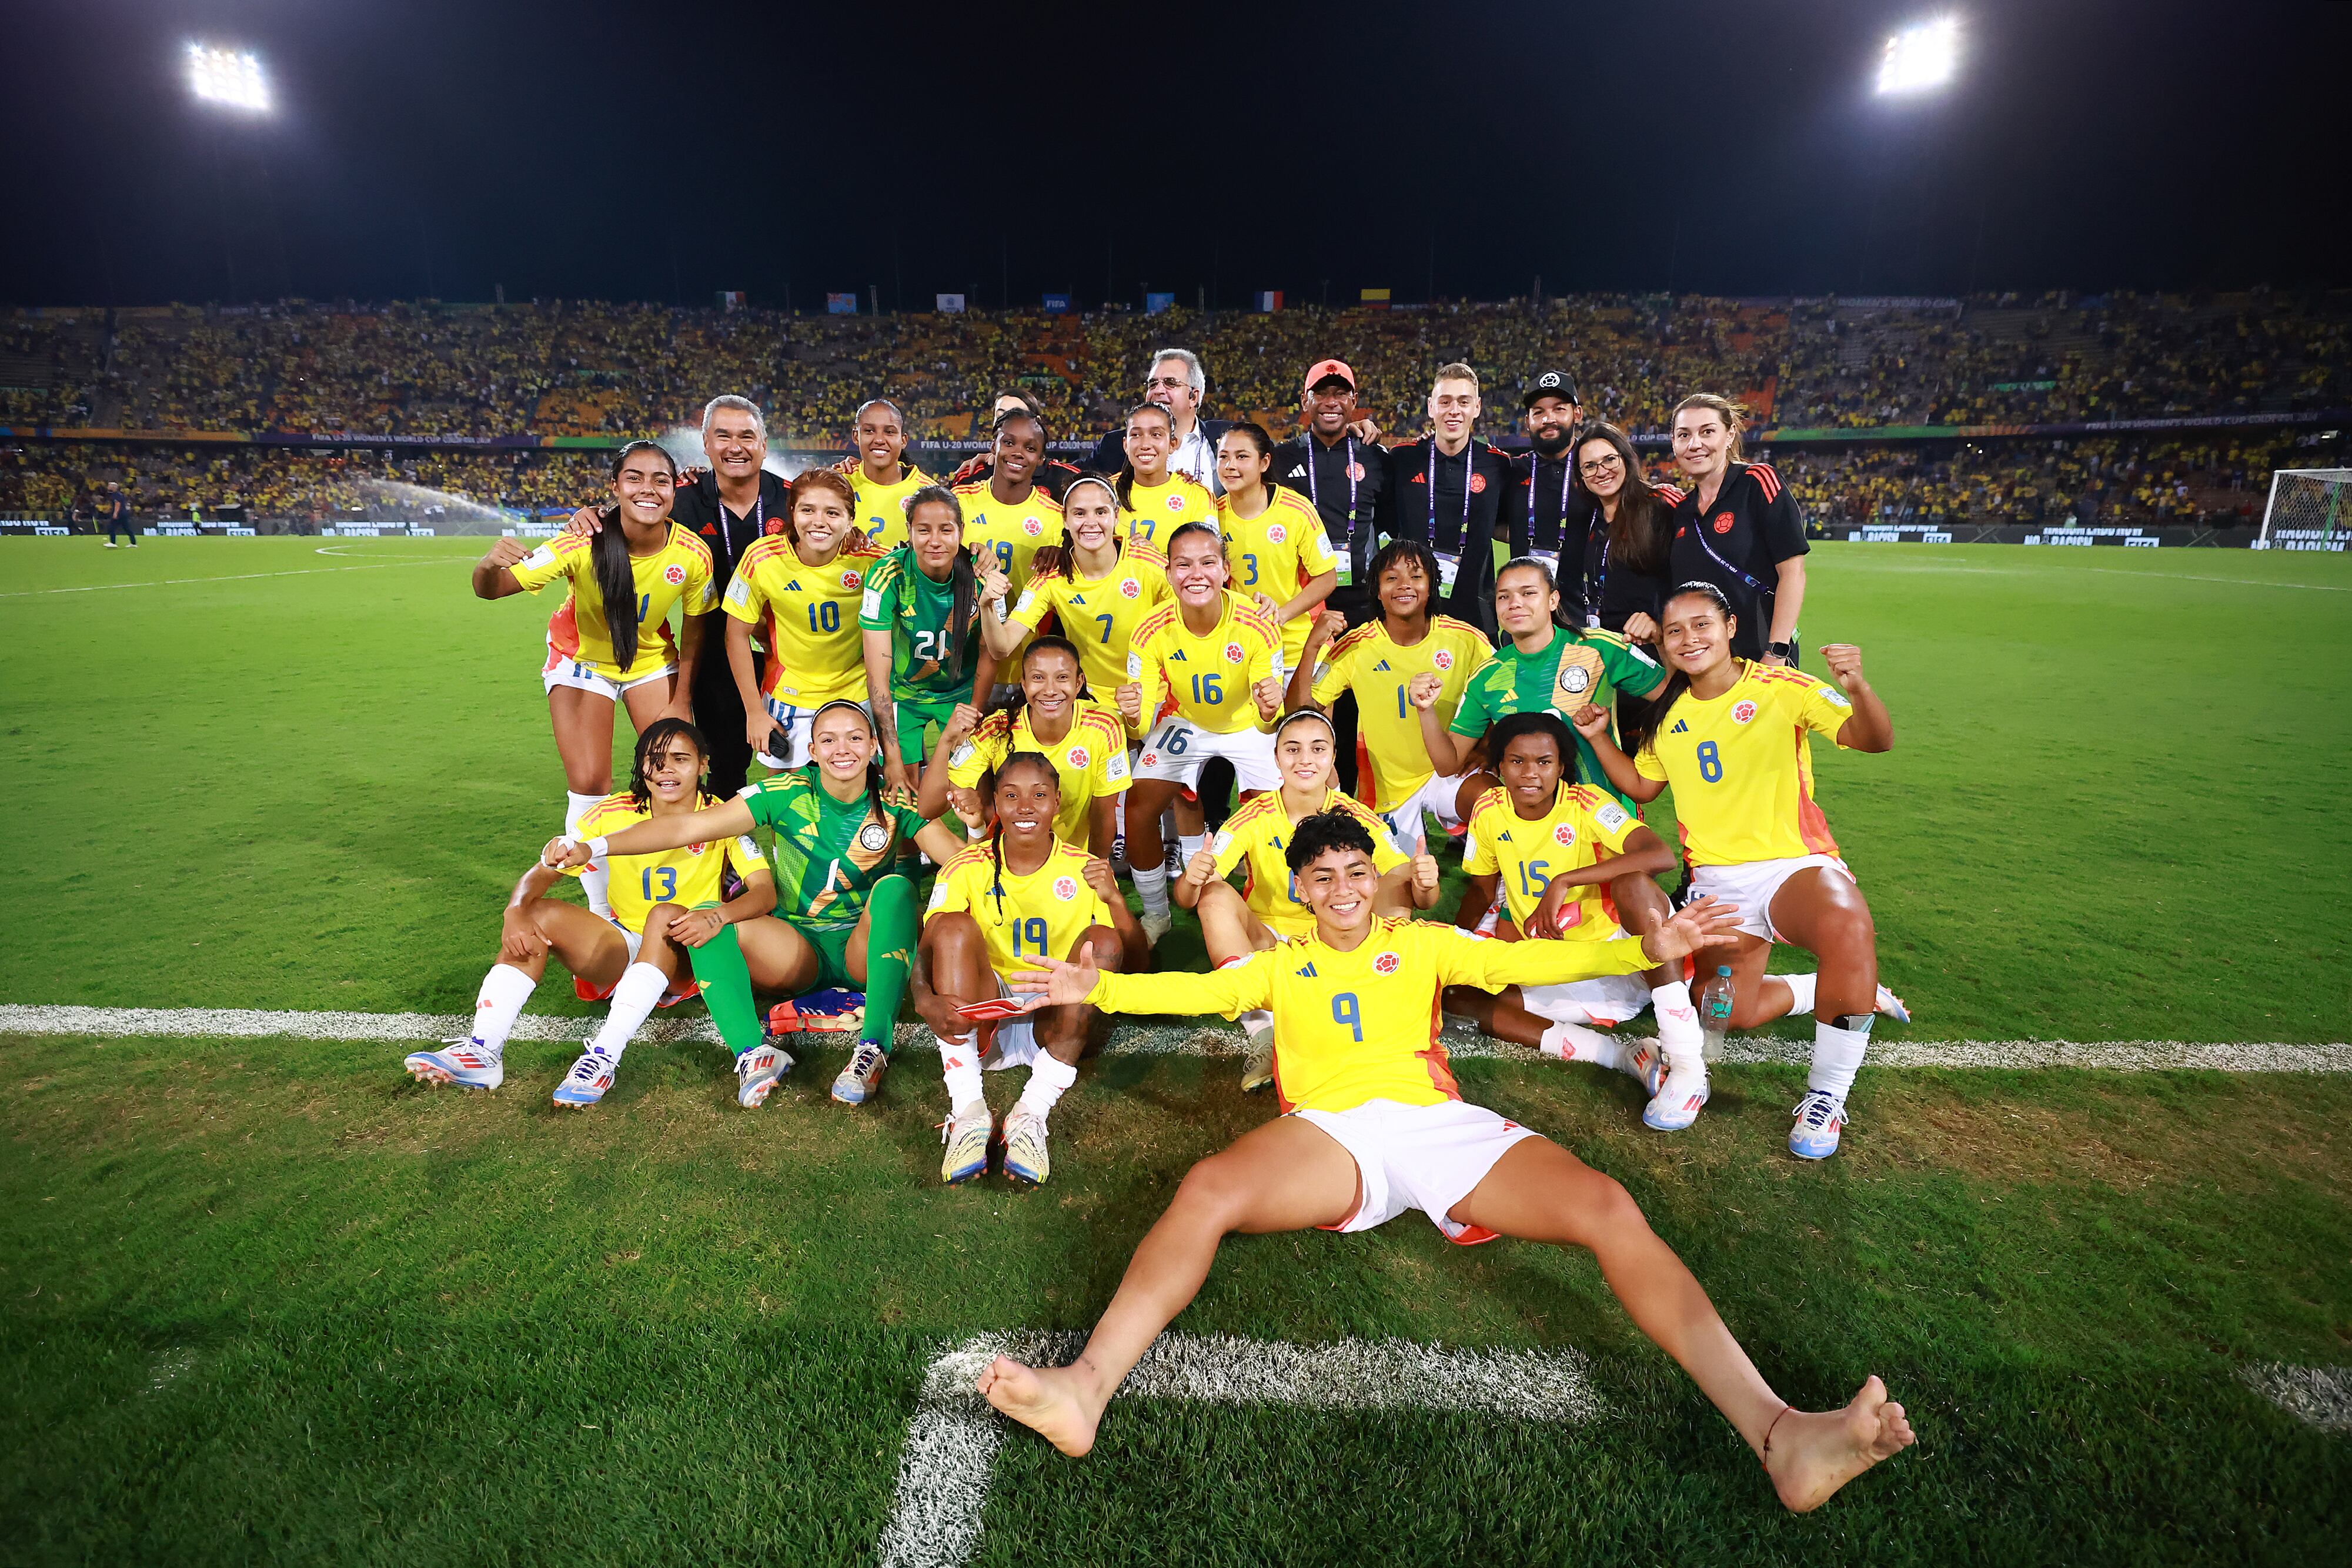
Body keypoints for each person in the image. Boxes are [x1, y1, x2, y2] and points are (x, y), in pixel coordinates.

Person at [980, 811, 1917, 1515]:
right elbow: (1192, 986)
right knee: (1209, 1185)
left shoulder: (1422, 944)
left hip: (1437, 1124)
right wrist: (1093, 984)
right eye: (1324, 875)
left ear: (1375, 877)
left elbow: (1534, 965)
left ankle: (1780, 1431)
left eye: (1357, 871)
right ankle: (1085, 1387)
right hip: (1332, 1136)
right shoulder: (1279, 962)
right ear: (1301, 888)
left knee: (1606, 1205)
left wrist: (1647, 946)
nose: (1343, 888)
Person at [1578, 583, 1909, 1159]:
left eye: (1702, 624)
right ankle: (1819, 991)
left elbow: (1873, 740)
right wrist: (1597, 737)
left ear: (1730, 627)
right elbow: (1640, 786)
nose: (1689, 639)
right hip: (1718, 884)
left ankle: (1825, 1099)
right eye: (1674, 631)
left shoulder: (1782, 688)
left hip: (1793, 866)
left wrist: (1857, 685)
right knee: (1724, 1014)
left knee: (1847, 926)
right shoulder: (1667, 716)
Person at [540, 703, 961, 1107]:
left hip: (862, 951)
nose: (842, 749)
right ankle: (753, 1054)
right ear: (812, 751)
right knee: (705, 916)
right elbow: (690, 825)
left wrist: (977, 825)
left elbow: (959, 861)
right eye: (829, 740)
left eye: (854, 738)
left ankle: (872, 1049)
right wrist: (592, 847)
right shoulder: (785, 792)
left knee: (896, 889)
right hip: (796, 951)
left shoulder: (896, 800)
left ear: (873, 746)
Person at [407, 720, 790, 1108]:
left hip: (685, 953)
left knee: (663, 915)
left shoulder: (722, 816)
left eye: (680, 759)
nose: (666, 770)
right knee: (536, 914)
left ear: (704, 765)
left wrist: (718, 916)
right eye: (654, 761)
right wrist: (514, 910)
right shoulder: (612, 812)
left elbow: (764, 892)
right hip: (624, 944)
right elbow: (544, 871)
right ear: (642, 767)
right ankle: (483, 1050)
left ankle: (603, 1057)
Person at [476, 439, 713, 918]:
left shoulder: (692, 553)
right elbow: (493, 589)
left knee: (672, 773)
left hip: (649, 662)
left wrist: (683, 698)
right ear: (616, 487)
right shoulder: (579, 542)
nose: (648, 489)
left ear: (674, 491)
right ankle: (606, 912)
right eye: (635, 478)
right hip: (580, 660)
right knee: (590, 783)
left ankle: (679, 891)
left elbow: (697, 626)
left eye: (660, 480)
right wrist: (488, 563)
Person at [1444, 711, 1709, 1129]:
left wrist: (1564, 880)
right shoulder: (1489, 810)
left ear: (1562, 766)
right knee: (1457, 997)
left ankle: (1688, 1061)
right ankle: (1622, 1056)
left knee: (1632, 882)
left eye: (1544, 762)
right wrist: (1453, 946)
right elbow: (1480, 889)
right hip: (1572, 966)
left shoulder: (1586, 803)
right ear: (1498, 767)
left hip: (1638, 948)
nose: (1531, 773)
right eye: (1517, 761)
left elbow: (1658, 854)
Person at [1175, 710, 1435, 1090]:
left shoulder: (1357, 815)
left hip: (1338, 944)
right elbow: (1188, 898)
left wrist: (1425, 883)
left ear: (1333, 757)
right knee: (1213, 895)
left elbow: (1418, 896)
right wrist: (1192, 878)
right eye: (1292, 749)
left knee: (1399, 879)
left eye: (1318, 748)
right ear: (1277, 758)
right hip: (1272, 946)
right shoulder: (1254, 816)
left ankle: (1376, 1003)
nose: (1305, 759)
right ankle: (1263, 1033)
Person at [916, 753, 1144, 1186]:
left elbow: (1136, 964)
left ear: (1057, 802)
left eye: (1039, 795)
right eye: (1011, 795)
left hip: (1053, 1018)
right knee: (952, 926)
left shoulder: (1084, 868)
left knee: (1106, 939)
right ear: (995, 805)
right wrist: (925, 999)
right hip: (988, 1011)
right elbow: (926, 949)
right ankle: (968, 1112)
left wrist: (1115, 899)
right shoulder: (966, 865)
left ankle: (1030, 1115)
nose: (1025, 806)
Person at [567, 395, 789, 798]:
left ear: (764, 444)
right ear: (705, 443)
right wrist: (593, 513)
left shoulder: (793, 499)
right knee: (722, 764)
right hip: (714, 655)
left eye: (746, 436)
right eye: (722, 435)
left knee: (798, 761)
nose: (734, 446)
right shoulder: (680, 500)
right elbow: (631, 511)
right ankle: (722, 858)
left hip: (789, 654)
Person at [1119, 522, 1285, 942]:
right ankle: (1157, 914)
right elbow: (1140, 726)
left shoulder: (1258, 623)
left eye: (1208, 562)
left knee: (1287, 811)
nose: (1196, 574)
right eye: (1184, 564)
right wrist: (1133, 716)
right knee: (1139, 804)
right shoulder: (1150, 630)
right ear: (1170, 572)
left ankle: (1279, 910)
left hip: (1246, 722)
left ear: (1226, 570)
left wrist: (1269, 710)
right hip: (1187, 722)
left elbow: (1270, 719)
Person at [1293, 540, 1494, 850]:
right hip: (1388, 791)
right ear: (1376, 590)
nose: (1404, 586)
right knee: (1399, 888)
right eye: (1391, 578)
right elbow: (1299, 714)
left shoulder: (1466, 640)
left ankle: (1499, 891)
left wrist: (1489, 747)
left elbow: (1505, 696)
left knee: (1493, 801)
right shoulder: (1357, 646)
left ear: (1431, 587)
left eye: (1416, 577)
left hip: (1450, 771)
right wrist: (1311, 648)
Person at [1420, 557, 1665, 810]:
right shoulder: (1487, 676)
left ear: (1553, 600)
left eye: (1528, 593)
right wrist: (1425, 710)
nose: (1515, 603)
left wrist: (1660, 640)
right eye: (1504, 597)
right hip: (1534, 827)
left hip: (1605, 814)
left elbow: (1674, 695)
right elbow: (1448, 765)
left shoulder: (1599, 648)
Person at [721, 468, 883, 770]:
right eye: (808, 510)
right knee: (789, 805)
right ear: (793, 513)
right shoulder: (761, 559)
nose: (819, 521)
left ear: (850, 520)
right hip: (790, 694)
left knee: (860, 801)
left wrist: (978, 556)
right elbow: (736, 635)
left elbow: (929, 567)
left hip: (857, 691)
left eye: (833, 512)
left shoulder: (872, 561)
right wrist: (754, 712)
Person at [930, 636, 1132, 862]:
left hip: (1071, 864)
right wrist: (947, 740)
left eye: (1062, 678)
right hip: (1009, 862)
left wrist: (1096, 867)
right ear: (1024, 684)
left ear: (1079, 683)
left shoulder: (1104, 726)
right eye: (1038, 678)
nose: (1050, 690)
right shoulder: (998, 728)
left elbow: (1103, 814)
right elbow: (929, 808)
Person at [995, 474, 1169, 731]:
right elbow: (1004, 645)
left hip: (1157, 695)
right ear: (1065, 519)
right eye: (1079, 513)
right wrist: (988, 605)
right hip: (1092, 702)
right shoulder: (1052, 577)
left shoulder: (1145, 559)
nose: (1091, 523)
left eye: (1101, 512)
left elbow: (1193, 607)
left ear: (1116, 515)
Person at [859, 486, 996, 795]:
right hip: (903, 694)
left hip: (960, 694)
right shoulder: (887, 574)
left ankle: (976, 844)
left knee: (974, 791)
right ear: (909, 531)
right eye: (923, 530)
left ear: (961, 532)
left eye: (946, 530)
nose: (935, 541)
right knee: (901, 794)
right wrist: (891, 756)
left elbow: (991, 654)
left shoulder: (982, 575)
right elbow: (877, 675)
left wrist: (973, 712)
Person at [1374, 363, 1523, 640]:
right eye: (1445, 402)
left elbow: (1505, 526)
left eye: (1464, 402)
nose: (1454, 410)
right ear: (1431, 407)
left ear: (1476, 407)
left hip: (1476, 610)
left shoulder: (1497, 464)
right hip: (1413, 608)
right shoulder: (1402, 459)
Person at [1667, 394, 1809, 664]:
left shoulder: (1757, 482)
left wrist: (1776, 652)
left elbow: (1793, 574)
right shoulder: (1681, 510)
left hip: (1761, 658)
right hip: (1703, 664)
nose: (1695, 444)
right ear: (1674, 443)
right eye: (1684, 435)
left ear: (1730, 434)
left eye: (1707, 432)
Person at [1213, 423, 1338, 677]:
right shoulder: (1212, 514)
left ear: (1264, 462)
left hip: (1299, 649)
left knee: (1309, 718)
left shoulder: (1296, 510)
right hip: (1243, 650)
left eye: (1242, 457)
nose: (1230, 466)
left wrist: (1280, 616)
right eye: (1223, 457)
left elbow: (1328, 577)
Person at [1269, 359, 1385, 624]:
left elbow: (1389, 520)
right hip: (1300, 598)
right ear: (1304, 401)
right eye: (1320, 393)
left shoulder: (1375, 458)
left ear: (1354, 401)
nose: (1331, 402)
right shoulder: (1279, 459)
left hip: (1362, 601)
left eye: (1341, 394)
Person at [957, 409, 1063, 681]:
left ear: (1041, 460)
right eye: (1009, 442)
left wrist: (1063, 554)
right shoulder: (959, 502)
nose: (1018, 452)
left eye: (1030, 448)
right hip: (962, 666)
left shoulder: (1055, 519)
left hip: (1024, 668)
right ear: (993, 447)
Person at [1571, 420, 1683, 642]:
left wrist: (1661, 622)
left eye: (1610, 460)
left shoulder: (1660, 505)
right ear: (1581, 476)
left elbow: (1693, 575)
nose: (1601, 472)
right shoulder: (1593, 518)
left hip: (1656, 647)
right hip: (1609, 647)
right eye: (1590, 466)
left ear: (1626, 458)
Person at [1088, 347, 1228, 492]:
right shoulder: (1114, 445)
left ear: (1193, 397)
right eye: (1153, 384)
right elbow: (1070, 479)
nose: (1158, 390)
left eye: (1171, 383)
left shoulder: (1227, 437)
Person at [1513, 369, 1586, 617]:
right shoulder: (1514, 470)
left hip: (1588, 611)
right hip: (1527, 613)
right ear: (1528, 421)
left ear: (1577, 414)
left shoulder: (1596, 468)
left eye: (1559, 409)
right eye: (1539, 412)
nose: (1548, 419)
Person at [1111, 403, 1218, 555]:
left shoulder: (1197, 496)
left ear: (1172, 444)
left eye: (1156, 435)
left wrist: (1154, 559)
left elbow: (1202, 565)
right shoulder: (1105, 492)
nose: (1145, 444)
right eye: (1136, 435)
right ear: (1125, 445)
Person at [949, 391, 1085, 501]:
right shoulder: (970, 476)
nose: (1009, 421)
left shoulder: (1065, 478)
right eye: (1001, 415)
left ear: (1036, 422)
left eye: (1017, 413)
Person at [841, 397, 936, 549]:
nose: (879, 439)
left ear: (903, 440)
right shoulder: (837, 483)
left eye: (890, 432)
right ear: (855, 437)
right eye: (869, 431)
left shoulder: (930, 493)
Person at [101, 482, 136, 548]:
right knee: (127, 528)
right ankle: (133, 543)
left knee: (111, 527)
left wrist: (115, 513)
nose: (108, 487)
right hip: (124, 513)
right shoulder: (120, 494)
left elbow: (118, 504)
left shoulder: (115, 495)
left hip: (119, 514)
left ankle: (113, 542)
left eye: (109, 486)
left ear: (113, 488)